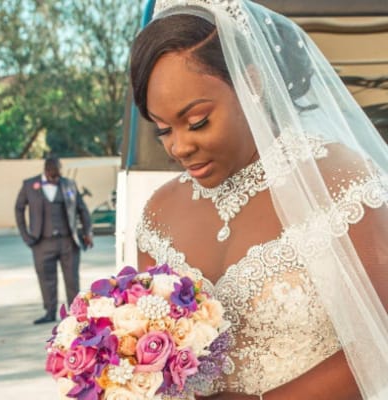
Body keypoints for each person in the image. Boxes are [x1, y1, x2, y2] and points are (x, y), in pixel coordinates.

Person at [129, 0, 388, 399]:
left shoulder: (340, 182)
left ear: (251, 83)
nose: (179, 147)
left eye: (197, 121)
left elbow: (379, 340)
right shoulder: (158, 215)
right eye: (163, 129)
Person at [15, 156, 93, 324]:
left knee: (72, 279)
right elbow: (19, 209)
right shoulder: (29, 185)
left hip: (68, 241)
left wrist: (88, 232)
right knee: (46, 279)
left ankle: (75, 314)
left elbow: (82, 210)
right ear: (46, 170)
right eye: (53, 175)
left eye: (58, 175)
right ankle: (50, 313)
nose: (56, 178)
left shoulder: (69, 184)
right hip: (42, 242)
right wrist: (26, 235)